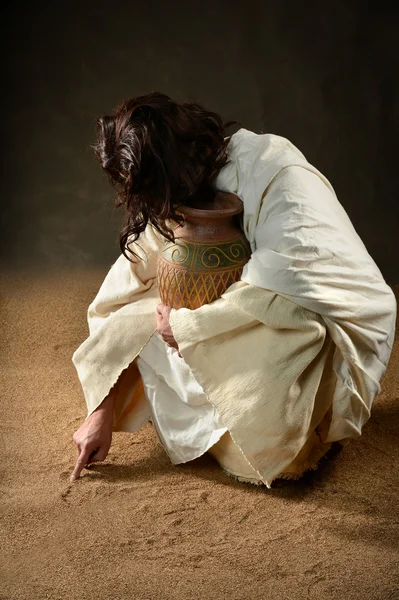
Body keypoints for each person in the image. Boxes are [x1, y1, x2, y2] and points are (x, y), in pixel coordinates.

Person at [70, 92, 396, 487]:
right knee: (137, 310)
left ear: (174, 164)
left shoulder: (274, 171)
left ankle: (287, 432)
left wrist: (187, 329)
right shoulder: (174, 189)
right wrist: (101, 411)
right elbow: (125, 284)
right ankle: (217, 420)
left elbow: (289, 294)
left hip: (313, 321)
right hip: (226, 320)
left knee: (291, 356)